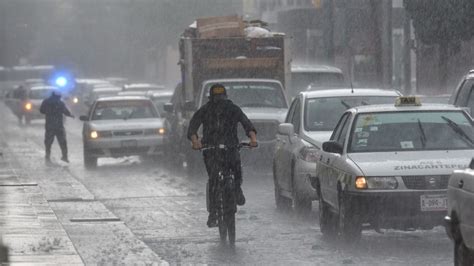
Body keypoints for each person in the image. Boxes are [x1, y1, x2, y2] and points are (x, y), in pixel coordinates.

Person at [187, 83, 257, 227]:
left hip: (231, 147)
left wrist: (253, 139)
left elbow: (247, 124)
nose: (219, 100)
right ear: (211, 98)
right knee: (213, 178)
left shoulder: (233, 109)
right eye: (216, 97)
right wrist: (195, 141)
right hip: (211, 149)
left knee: (236, 169)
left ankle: (237, 189)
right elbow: (193, 126)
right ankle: (213, 213)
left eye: (221, 97)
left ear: (225, 97)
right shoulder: (205, 110)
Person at [39, 90, 74, 162]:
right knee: (62, 141)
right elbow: (65, 111)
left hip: (49, 125)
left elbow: (41, 110)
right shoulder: (60, 103)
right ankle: (65, 156)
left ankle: (47, 155)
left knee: (48, 142)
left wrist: (48, 113)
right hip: (59, 126)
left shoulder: (46, 102)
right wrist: (70, 115)